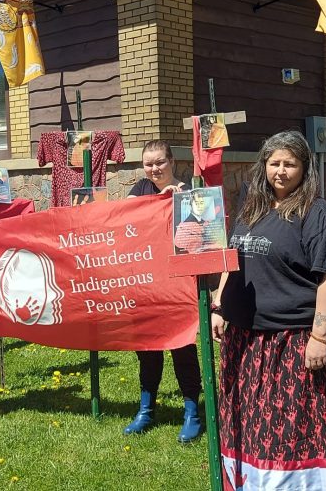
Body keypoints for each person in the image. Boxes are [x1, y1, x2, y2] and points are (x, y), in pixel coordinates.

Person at [212, 130, 326, 488]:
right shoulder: (251, 208)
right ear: (264, 166)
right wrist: (219, 304)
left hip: (291, 339)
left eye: (290, 164)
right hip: (243, 338)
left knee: (290, 425)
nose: (281, 171)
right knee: (243, 418)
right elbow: (233, 260)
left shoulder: (317, 213)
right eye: (274, 163)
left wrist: (320, 336)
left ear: (305, 168)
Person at [124, 139, 204, 443]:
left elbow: (198, 236)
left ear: (171, 162)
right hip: (146, 285)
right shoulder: (139, 191)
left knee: (183, 349)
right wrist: (155, 204)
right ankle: (146, 410)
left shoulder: (188, 194)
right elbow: (125, 220)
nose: (154, 168)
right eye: (148, 163)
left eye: (159, 162)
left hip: (177, 286)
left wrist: (175, 202)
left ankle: (191, 413)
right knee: (147, 351)